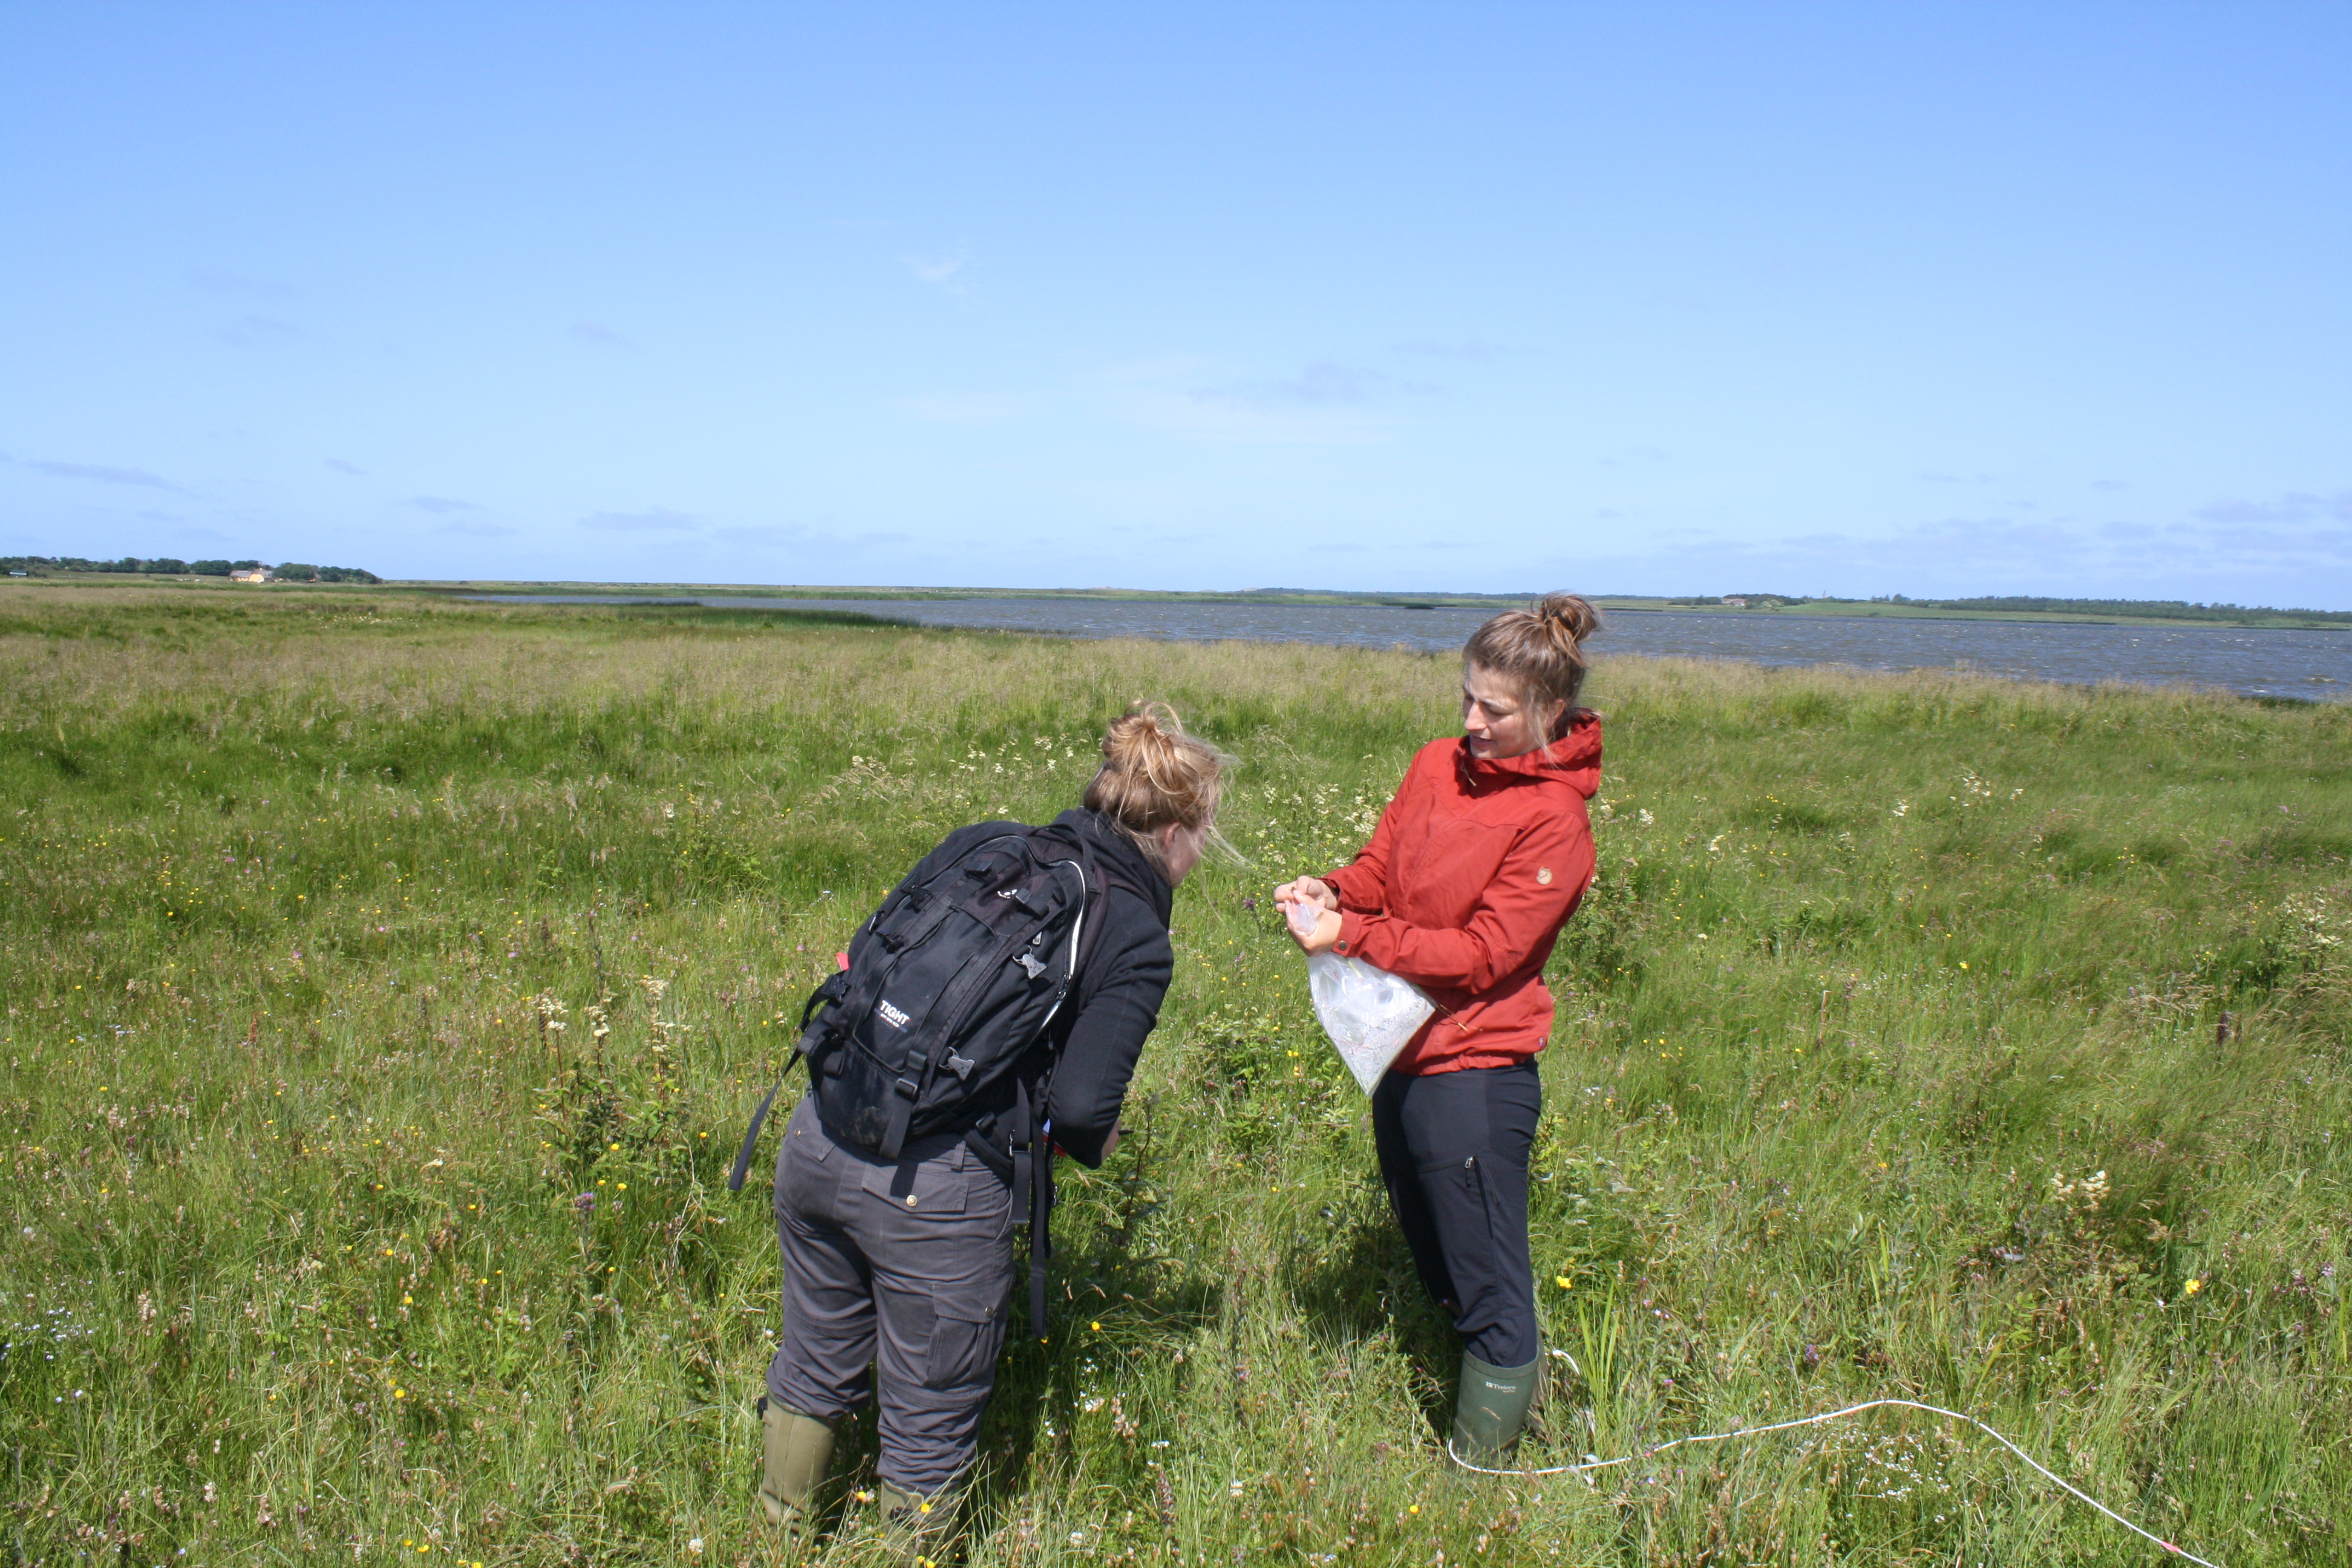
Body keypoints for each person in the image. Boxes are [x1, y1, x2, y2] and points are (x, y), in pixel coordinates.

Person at [760, 703, 1227, 1553]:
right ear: (1179, 830)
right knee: (928, 1425)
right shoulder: (1133, 931)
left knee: (813, 1361)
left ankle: (770, 1539)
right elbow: (1084, 1114)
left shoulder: (988, 841)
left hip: (821, 1133)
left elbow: (860, 959)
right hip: (935, 1194)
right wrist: (1100, 1142)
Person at [1276, 593, 1602, 1465]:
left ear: (1550, 712)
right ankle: (1459, 1390)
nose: (1471, 721)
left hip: (1477, 1073)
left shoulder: (1557, 821)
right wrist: (1334, 891)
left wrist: (1353, 936)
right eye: (1465, 697)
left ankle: (1480, 1473)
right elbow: (1383, 869)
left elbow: (1487, 956)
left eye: (1493, 710)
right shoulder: (1434, 766)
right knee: (1436, 1253)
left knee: (1489, 1280)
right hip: (1403, 1057)